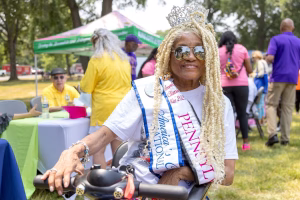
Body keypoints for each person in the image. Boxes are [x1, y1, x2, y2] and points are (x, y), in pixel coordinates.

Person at [41, 3, 238, 196]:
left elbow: (227, 173)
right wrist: (72, 153)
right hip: (131, 188)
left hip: (181, 193)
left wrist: (179, 172)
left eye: (200, 51)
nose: (190, 57)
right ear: (168, 56)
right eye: (181, 51)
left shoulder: (219, 104)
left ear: (209, 58)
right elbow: (103, 136)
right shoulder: (147, 91)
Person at [80, 28, 131, 168]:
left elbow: (86, 87)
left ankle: (101, 185)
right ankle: (121, 182)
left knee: (98, 150)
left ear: (96, 43)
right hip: (122, 108)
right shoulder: (123, 59)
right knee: (119, 150)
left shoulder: (96, 60)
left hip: (103, 110)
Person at [265, 18, 300, 146]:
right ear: (293, 28)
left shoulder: (276, 39)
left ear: (281, 28)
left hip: (278, 77)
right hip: (292, 79)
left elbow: (270, 57)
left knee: (271, 105)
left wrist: (266, 57)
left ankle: (272, 134)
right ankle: (285, 139)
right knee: (287, 108)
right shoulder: (298, 42)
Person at [218, 31, 253, 151]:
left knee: (226, 114)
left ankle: (226, 144)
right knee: (242, 113)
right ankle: (245, 144)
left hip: (223, 85)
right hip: (242, 85)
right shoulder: (242, 49)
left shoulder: (218, 51)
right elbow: (249, 69)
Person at [252, 50, 268, 124]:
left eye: (253, 57)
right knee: (262, 103)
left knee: (259, 103)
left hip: (259, 84)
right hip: (264, 84)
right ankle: (262, 119)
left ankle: (259, 120)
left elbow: (261, 73)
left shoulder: (259, 62)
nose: (253, 59)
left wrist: (254, 75)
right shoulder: (264, 62)